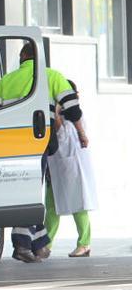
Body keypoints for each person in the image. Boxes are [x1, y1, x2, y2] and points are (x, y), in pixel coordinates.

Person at [0, 42, 85, 263]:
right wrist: (81, 134)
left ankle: (39, 244)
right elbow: (73, 107)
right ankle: (25, 244)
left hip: (9, 145)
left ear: (22, 57)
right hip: (36, 143)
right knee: (29, 193)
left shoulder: (6, 81)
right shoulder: (51, 76)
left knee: (23, 192)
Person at [45, 80, 97, 257]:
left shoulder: (76, 117)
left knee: (79, 205)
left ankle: (84, 243)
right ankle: (47, 244)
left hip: (73, 168)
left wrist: (57, 113)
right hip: (57, 166)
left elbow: (65, 135)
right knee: (51, 207)